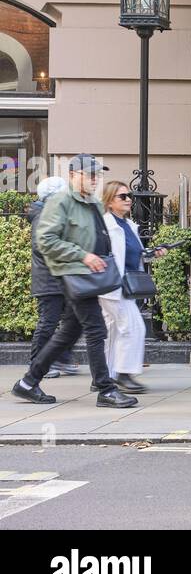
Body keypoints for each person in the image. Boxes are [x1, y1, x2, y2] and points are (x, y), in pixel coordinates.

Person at [11, 154, 136, 408]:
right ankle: (106, 389)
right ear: (72, 175)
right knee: (96, 330)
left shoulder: (89, 202)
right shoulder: (61, 202)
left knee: (68, 333)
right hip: (74, 274)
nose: (94, 179)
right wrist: (84, 256)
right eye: (89, 174)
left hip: (87, 275)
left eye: (97, 174)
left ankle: (28, 382)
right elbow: (45, 240)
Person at [26, 178, 80, 380]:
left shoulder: (53, 214)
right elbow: (43, 247)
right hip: (49, 281)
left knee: (71, 321)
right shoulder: (43, 216)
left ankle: (61, 358)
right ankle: (36, 363)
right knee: (48, 323)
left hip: (60, 279)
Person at [99, 181, 148, 394]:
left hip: (127, 285)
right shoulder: (106, 226)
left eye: (129, 196)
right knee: (133, 326)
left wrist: (151, 253)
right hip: (112, 286)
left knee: (112, 331)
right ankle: (124, 373)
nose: (128, 199)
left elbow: (134, 253)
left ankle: (105, 376)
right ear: (110, 202)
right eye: (122, 196)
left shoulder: (129, 225)